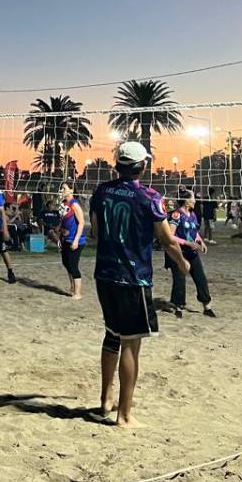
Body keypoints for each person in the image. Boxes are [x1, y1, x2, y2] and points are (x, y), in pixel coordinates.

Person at [89, 141, 189, 428]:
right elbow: (167, 239)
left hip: (104, 273)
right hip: (133, 278)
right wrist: (182, 263)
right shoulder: (149, 197)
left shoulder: (102, 191)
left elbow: (95, 232)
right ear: (142, 166)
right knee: (131, 344)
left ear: (117, 165)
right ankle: (124, 415)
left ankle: (105, 399)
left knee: (111, 335)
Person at [164, 189, 215, 318]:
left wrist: (200, 241)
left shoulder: (192, 214)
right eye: (193, 198)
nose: (195, 200)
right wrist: (187, 242)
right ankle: (178, 306)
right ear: (186, 201)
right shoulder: (176, 215)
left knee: (200, 278)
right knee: (180, 279)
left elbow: (194, 231)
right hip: (178, 252)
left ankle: (207, 306)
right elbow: (170, 235)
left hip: (192, 252)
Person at [58, 182, 87, 300]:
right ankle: (72, 287)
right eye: (61, 188)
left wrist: (76, 240)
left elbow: (81, 223)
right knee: (66, 263)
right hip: (66, 239)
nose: (61, 190)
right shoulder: (64, 204)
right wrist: (60, 235)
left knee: (73, 266)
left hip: (76, 240)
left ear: (71, 190)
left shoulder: (74, 204)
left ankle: (78, 293)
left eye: (64, 188)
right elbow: (63, 222)